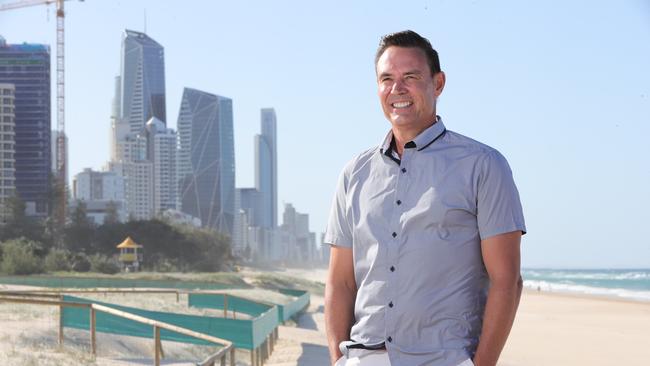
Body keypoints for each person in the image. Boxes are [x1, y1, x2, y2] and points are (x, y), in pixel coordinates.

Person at [324, 30, 526, 366]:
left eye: (411, 77)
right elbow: (340, 282)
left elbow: (507, 280)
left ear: (439, 83)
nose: (397, 89)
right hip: (363, 357)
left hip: (444, 358)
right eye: (386, 78)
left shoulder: (483, 165)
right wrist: (337, 359)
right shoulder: (353, 174)